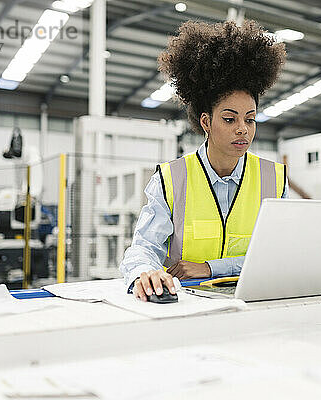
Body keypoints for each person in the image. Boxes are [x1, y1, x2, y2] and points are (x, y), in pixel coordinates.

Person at [120, 20, 288, 301]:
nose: (242, 129)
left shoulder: (273, 178)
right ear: (206, 121)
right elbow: (144, 246)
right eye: (229, 118)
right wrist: (144, 272)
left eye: (250, 119)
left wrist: (209, 268)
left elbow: (278, 255)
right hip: (185, 307)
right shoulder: (171, 179)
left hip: (254, 304)